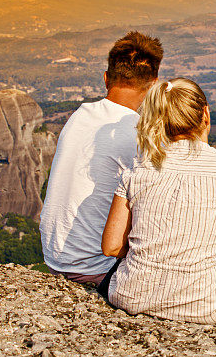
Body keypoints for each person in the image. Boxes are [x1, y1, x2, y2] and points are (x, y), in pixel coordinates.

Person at [101, 78, 216, 335]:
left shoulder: (138, 169)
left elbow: (110, 246)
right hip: (209, 305)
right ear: (205, 114)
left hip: (132, 296)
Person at [39, 31, 163, 285]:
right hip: (97, 267)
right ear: (152, 85)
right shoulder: (138, 133)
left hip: (55, 259)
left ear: (106, 78)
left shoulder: (79, 116)